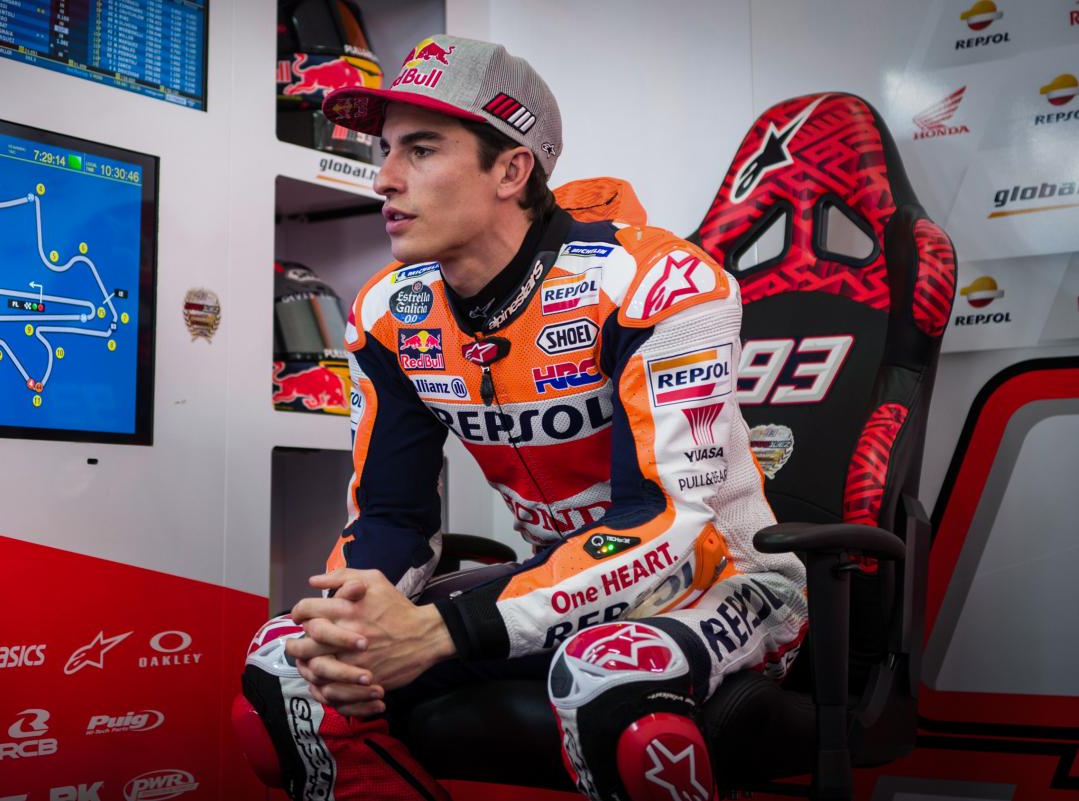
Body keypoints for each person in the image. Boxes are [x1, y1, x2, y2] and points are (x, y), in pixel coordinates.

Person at [238, 33, 808, 801]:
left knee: (608, 679)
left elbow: (669, 521)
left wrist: (443, 629)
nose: (385, 177)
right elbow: (391, 516)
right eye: (385, 149)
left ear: (510, 170)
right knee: (288, 660)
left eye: (420, 149)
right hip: (564, 583)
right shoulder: (388, 309)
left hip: (721, 577)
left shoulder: (659, 282)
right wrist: (354, 617)